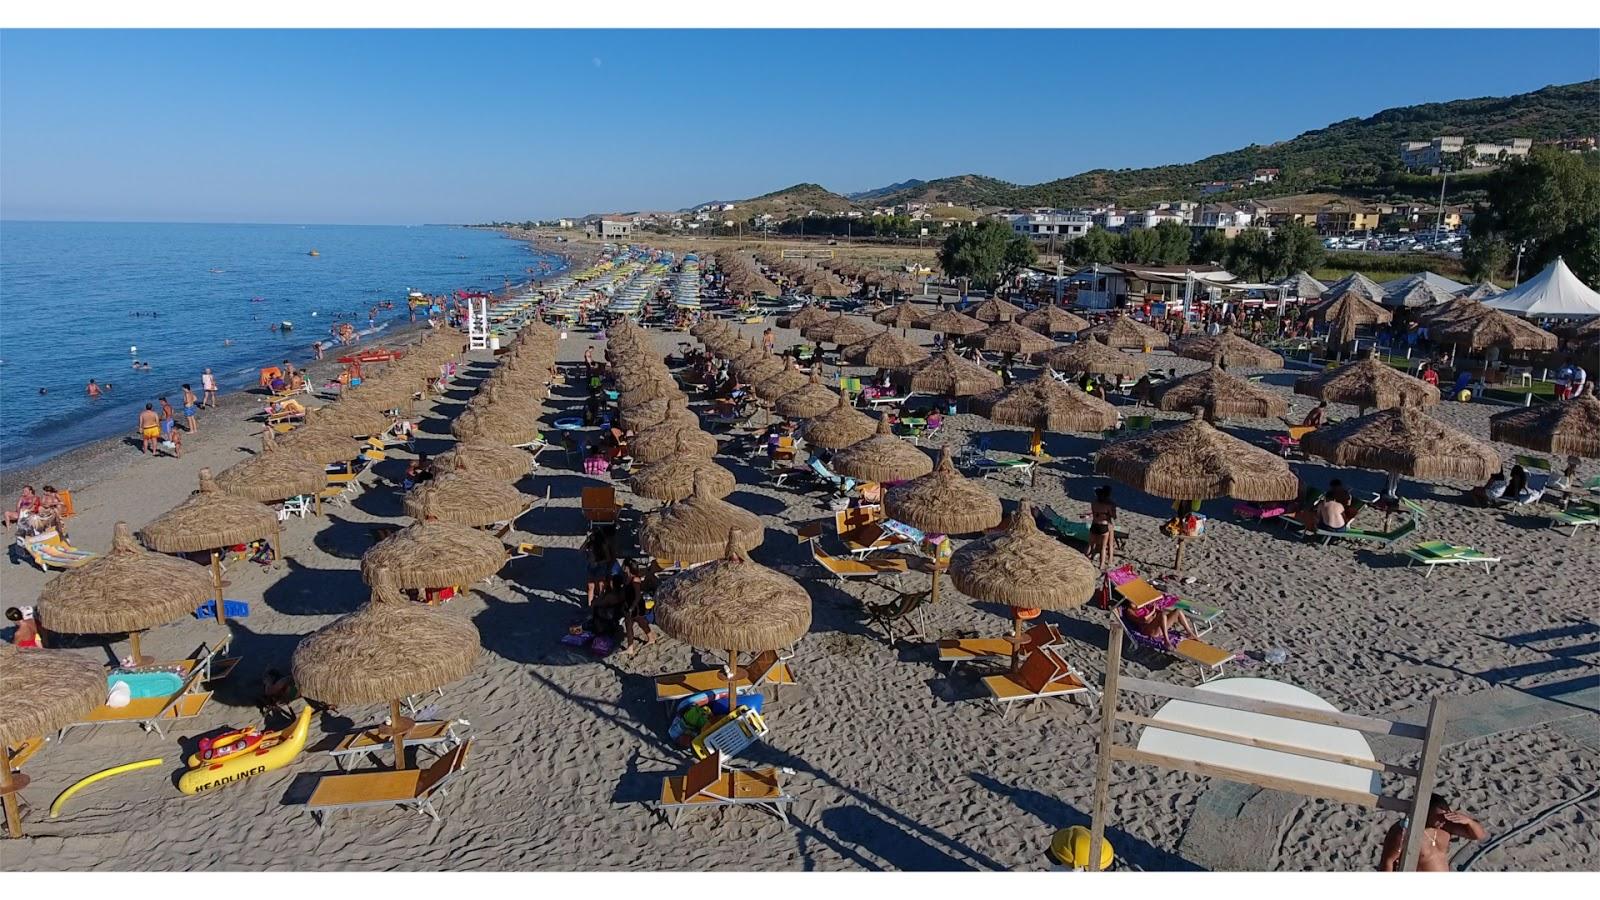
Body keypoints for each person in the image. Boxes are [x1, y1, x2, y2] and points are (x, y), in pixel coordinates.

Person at [1378, 793, 1486, 871]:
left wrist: (1469, 821)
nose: (1442, 820)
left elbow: (1479, 835)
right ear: (1425, 813)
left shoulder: (1445, 827)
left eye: (1445, 816)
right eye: (1438, 817)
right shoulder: (1404, 832)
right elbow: (1387, 862)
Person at [582, 527, 618, 607]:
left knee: (600, 584)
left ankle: (599, 603)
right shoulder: (591, 543)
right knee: (591, 586)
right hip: (593, 565)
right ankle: (590, 605)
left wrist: (597, 562)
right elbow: (581, 550)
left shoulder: (603, 545)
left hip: (600, 565)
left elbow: (608, 558)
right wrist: (586, 541)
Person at [1089, 485, 1118, 569]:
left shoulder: (1093, 503)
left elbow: (1094, 513)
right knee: (1107, 545)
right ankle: (1105, 563)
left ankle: (1088, 558)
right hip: (1106, 525)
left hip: (1094, 524)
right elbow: (1113, 516)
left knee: (1091, 544)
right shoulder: (1110, 504)